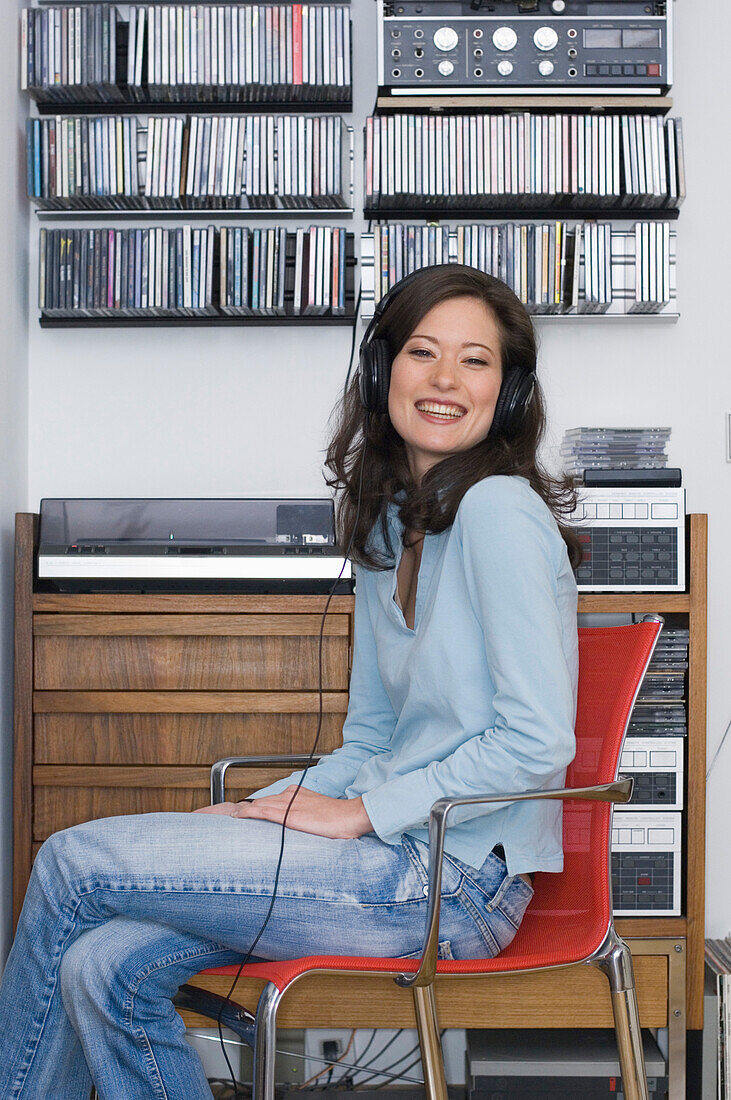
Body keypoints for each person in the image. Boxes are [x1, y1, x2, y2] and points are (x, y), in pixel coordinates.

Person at [0, 265, 581, 1100]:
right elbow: (371, 743)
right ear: (382, 373)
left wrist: (356, 815)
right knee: (102, 964)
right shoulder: (391, 524)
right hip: (389, 859)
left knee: (71, 862)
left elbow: (537, 742)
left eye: (476, 360)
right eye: (422, 352)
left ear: (509, 389)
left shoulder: (497, 509)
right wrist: (257, 808)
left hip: (451, 887)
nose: (446, 380)